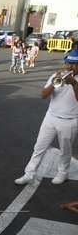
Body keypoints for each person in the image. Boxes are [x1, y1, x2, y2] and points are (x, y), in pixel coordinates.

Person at [14, 49, 78, 185]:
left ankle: (63, 172)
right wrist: (54, 84)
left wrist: (74, 83)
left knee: (65, 150)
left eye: (73, 64)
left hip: (70, 120)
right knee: (39, 147)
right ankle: (29, 173)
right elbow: (43, 95)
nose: (69, 67)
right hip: (51, 117)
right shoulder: (56, 75)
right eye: (68, 63)